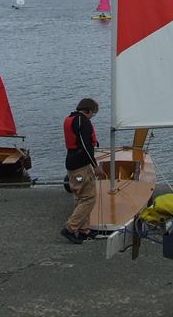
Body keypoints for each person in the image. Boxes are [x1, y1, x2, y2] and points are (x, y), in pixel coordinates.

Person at [61, 98, 104, 244]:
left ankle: (84, 230)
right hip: (81, 166)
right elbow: (86, 146)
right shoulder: (83, 122)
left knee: (80, 197)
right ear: (89, 111)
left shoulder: (71, 118)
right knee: (89, 198)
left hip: (71, 164)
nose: (92, 117)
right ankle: (70, 228)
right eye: (93, 114)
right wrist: (95, 166)